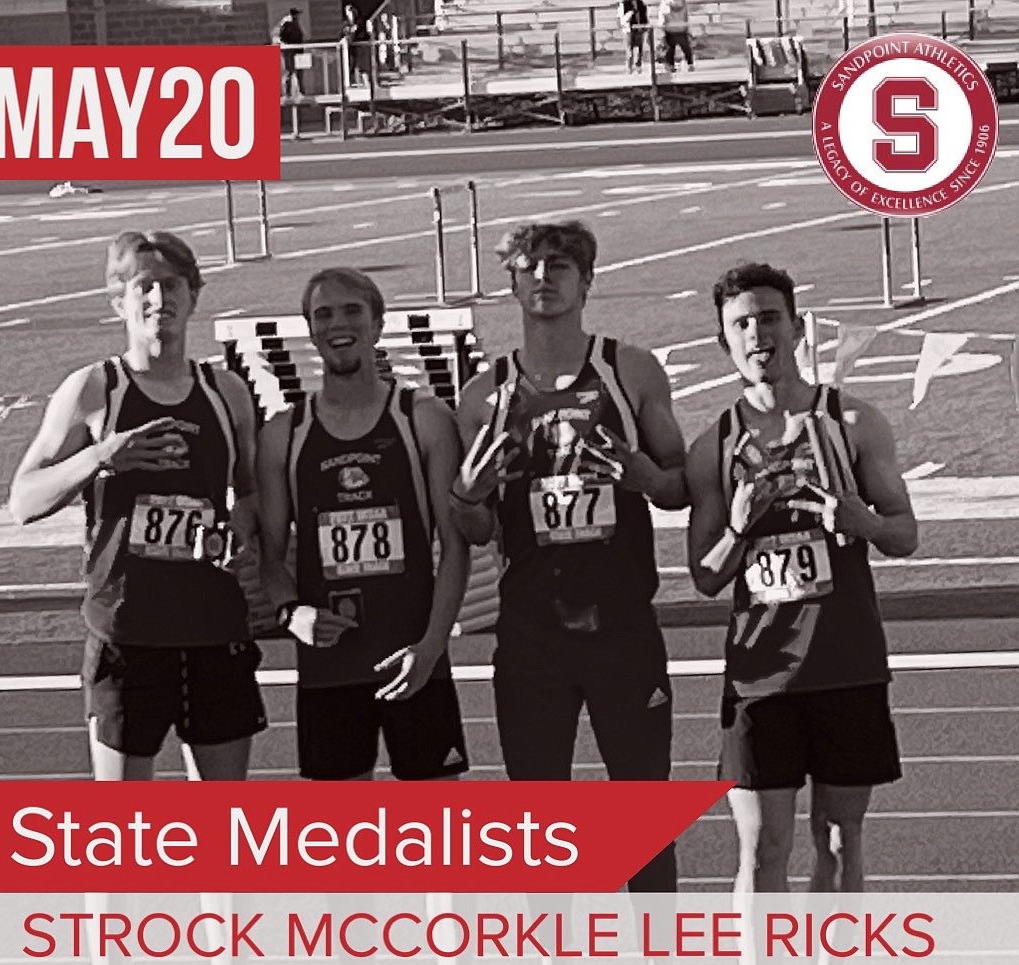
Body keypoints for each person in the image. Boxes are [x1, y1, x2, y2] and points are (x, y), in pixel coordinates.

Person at [450, 220, 688, 894]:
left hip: (621, 632)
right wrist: (468, 496)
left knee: (642, 822)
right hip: (532, 642)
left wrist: (640, 475)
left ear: (586, 280)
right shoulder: (483, 396)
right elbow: (471, 529)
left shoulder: (628, 370)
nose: (543, 277)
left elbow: (680, 488)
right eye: (529, 266)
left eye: (559, 265)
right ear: (512, 283)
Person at [686, 261, 916, 901]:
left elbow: (906, 535)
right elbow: (703, 576)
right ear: (723, 342)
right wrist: (737, 530)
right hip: (760, 678)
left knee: (840, 841)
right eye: (741, 324)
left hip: (847, 666)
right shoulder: (716, 445)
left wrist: (861, 519)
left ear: (796, 328)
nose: (758, 334)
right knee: (764, 851)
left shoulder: (852, 423)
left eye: (768, 318)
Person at [9, 229, 267, 784]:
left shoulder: (228, 394)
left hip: (214, 631)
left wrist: (247, 542)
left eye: (172, 286)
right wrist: (102, 456)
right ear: (119, 302)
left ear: (194, 296)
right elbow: (22, 501)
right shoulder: (94, 390)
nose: (159, 300)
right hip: (127, 636)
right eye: (145, 287)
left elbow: (248, 497)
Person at [257, 267, 470, 783]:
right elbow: (269, 553)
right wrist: (291, 615)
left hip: (415, 662)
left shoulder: (424, 419)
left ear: (377, 324)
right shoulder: (284, 434)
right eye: (323, 314)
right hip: (329, 673)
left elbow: (455, 547)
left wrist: (432, 646)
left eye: (352, 310)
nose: (337, 323)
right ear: (310, 329)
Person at [276, 7, 306, 99]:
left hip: (298, 50)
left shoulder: (295, 23)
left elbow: (299, 36)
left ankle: (302, 92)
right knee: (289, 71)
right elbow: (280, 37)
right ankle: (287, 93)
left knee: (300, 72)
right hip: (289, 51)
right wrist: (287, 46)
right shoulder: (286, 23)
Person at [657, 0, 694, 72]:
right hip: (681, 27)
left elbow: (662, 16)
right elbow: (686, 15)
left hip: (670, 29)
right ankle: (690, 64)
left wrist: (662, 26)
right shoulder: (682, 2)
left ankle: (671, 66)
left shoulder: (665, 3)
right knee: (686, 47)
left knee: (670, 49)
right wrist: (688, 28)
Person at [341, 4, 372, 87]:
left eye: (351, 10)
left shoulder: (360, 21)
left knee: (363, 65)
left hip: (361, 46)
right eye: (348, 11)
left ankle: (366, 83)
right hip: (351, 48)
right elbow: (342, 33)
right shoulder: (345, 23)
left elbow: (360, 30)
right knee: (351, 64)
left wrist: (354, 29)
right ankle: (352, 83)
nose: (350, 12)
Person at [619, 0, 649, 73]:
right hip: (629, 29)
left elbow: (644, 16)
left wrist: (645, 27)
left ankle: (638, 66)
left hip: (639, 28)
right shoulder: (624, 4)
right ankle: (629, 67)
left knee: (640, 48)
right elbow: (622, 19)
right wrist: (631, 13)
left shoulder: (641, 4)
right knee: (629, 48)